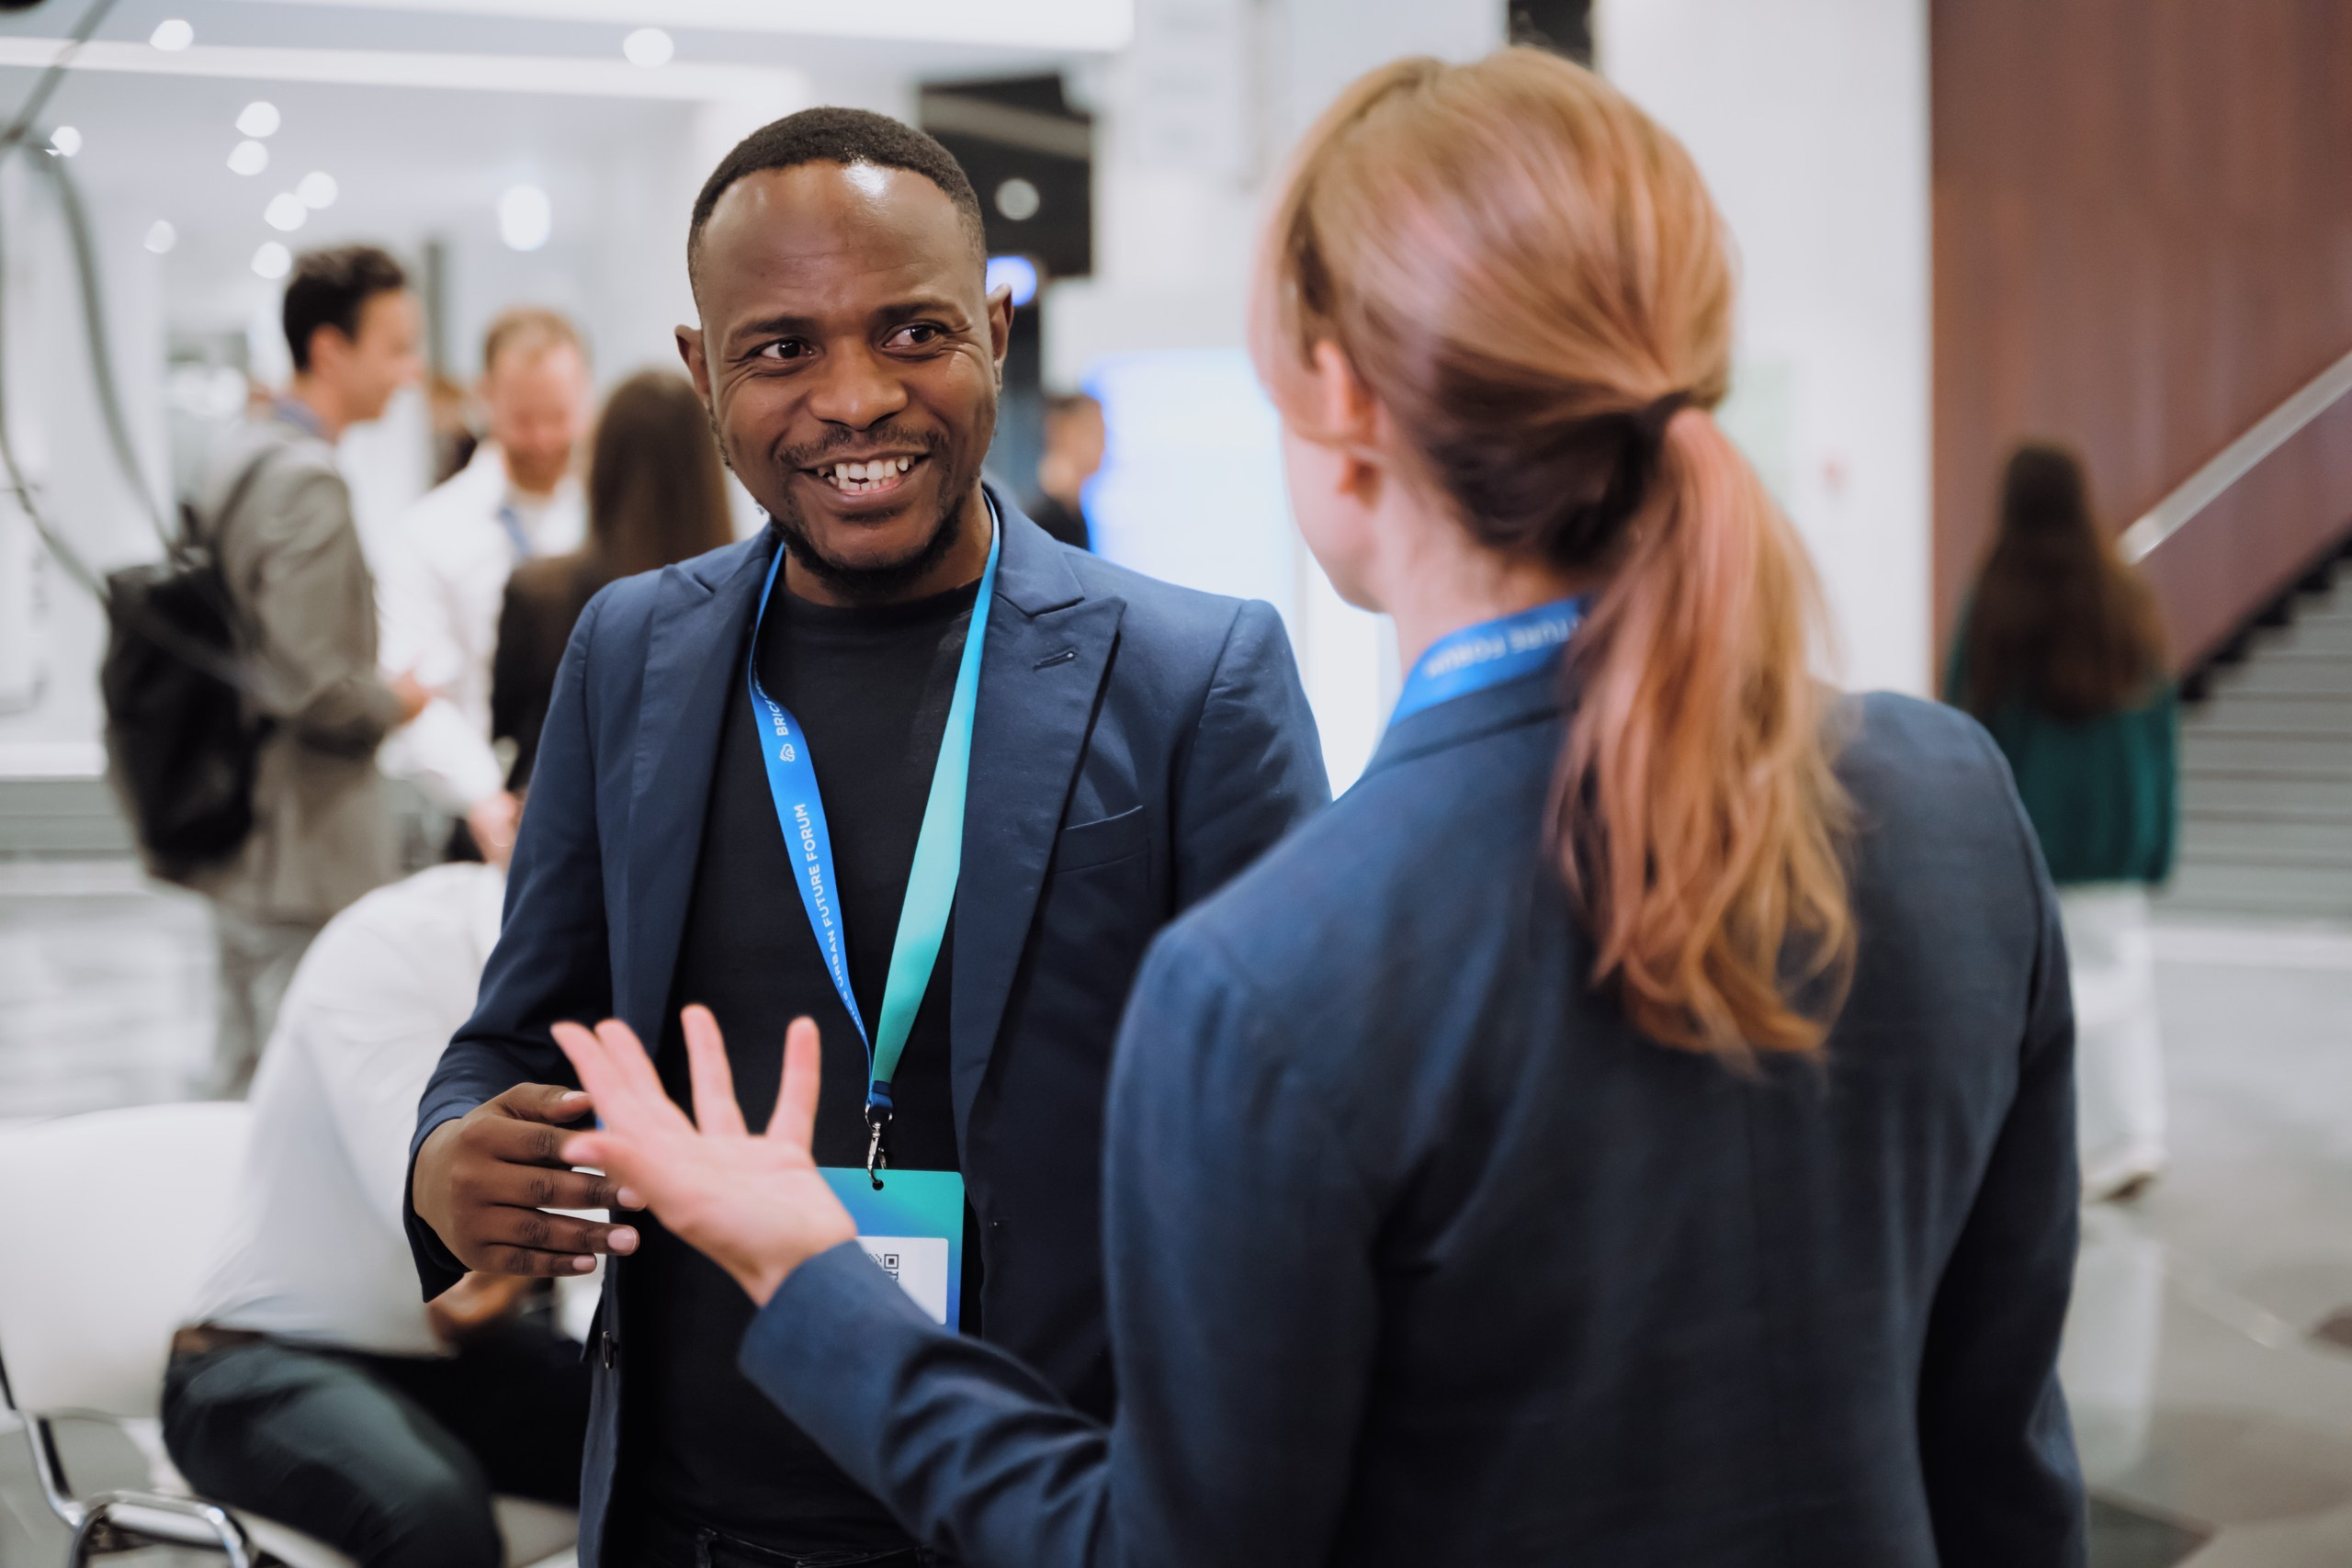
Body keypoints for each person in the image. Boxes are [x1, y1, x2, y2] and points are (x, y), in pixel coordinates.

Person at [551, 51, 2087, 1568]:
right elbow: (2002, 1460)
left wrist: (808, 1273)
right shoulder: (1952, 806)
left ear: (1337, 399)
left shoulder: (1280, 973)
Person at [404, 107, 1329, 1568]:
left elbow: (1310, 1148)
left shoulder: (1191, 678)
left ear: (997, 330)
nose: (854, 399)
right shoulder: (629, 656)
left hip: (1051, 1514)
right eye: (782, 349)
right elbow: (521, 1034)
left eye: (912, 333)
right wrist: (449, 1155)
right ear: (705, 371)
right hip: (696, 1520)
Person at [164, 859, 592, 1568]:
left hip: (445, 1361)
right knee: (431, 1514)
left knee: (685, 1441)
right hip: (254, 1360)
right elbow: (456, 1279)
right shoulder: (395, 944)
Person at [190, 245, 428, 1097]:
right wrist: (397, 699)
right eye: (396, 347)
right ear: (330, 349)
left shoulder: (244, 454)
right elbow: (315, 688)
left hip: (255, 830)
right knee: (287, 1097)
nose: (411, 371)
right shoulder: (305, 483)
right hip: (301, 846)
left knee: (251, 1071)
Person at [1948, 443, 2177, 1202]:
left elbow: (1963, 725)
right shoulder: (2125, 597)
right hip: (2113, 833)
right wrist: (2157, 837)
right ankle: (2135, 1133)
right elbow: (2158, 730)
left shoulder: (1996, 599)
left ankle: (2053, 1149)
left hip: (2026, 835)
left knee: (2033, 1000)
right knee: (2125, 986)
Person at [378, 308, 594, 863]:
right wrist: (484, 798)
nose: (543, 439)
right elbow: (414, 688)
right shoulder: (429, 532)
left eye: (559, 416)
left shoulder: (611, 521)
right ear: (486, 397)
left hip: (611, 805)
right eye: (523, 419)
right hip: (485, 813)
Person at [492, 368, 735, 791]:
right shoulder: (747, 602)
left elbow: (504, 727)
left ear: (602, 462)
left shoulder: (538, 594)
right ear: (706, 470)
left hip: (568, 826)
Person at [1023, 391, 1102, 551]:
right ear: (1062, 432)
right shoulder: (1044, 523)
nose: (1103, 445)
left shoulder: (1074, 514)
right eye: (1095, 433)